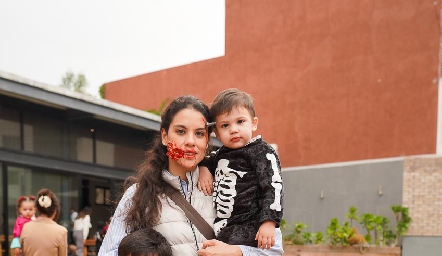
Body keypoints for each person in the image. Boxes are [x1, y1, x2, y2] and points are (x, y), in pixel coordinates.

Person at [99, 95, 275, 256]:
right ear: (165, 136)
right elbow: (108, 253)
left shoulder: (237, 182)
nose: (191, 141)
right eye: (181, 131)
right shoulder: (137, 195)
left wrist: (237, 251)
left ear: (208, 139)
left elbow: (273, 250)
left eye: (199, 133)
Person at [198, 88, 284, 253]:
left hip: (254, 228)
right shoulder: (221, 154)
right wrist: (204, 168)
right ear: (215, 132)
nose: (233, 129)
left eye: (240, 121)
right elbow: (208, 160)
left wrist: (269, 222)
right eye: (225, 125)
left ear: (254, 123)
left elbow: (273, 187)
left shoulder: (261, 152)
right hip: (226, 230)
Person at [20, 188, 68, 256]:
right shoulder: (61, 231)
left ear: (36, 209)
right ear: (55, 211)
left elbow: (22, 250)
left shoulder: (26, 227)